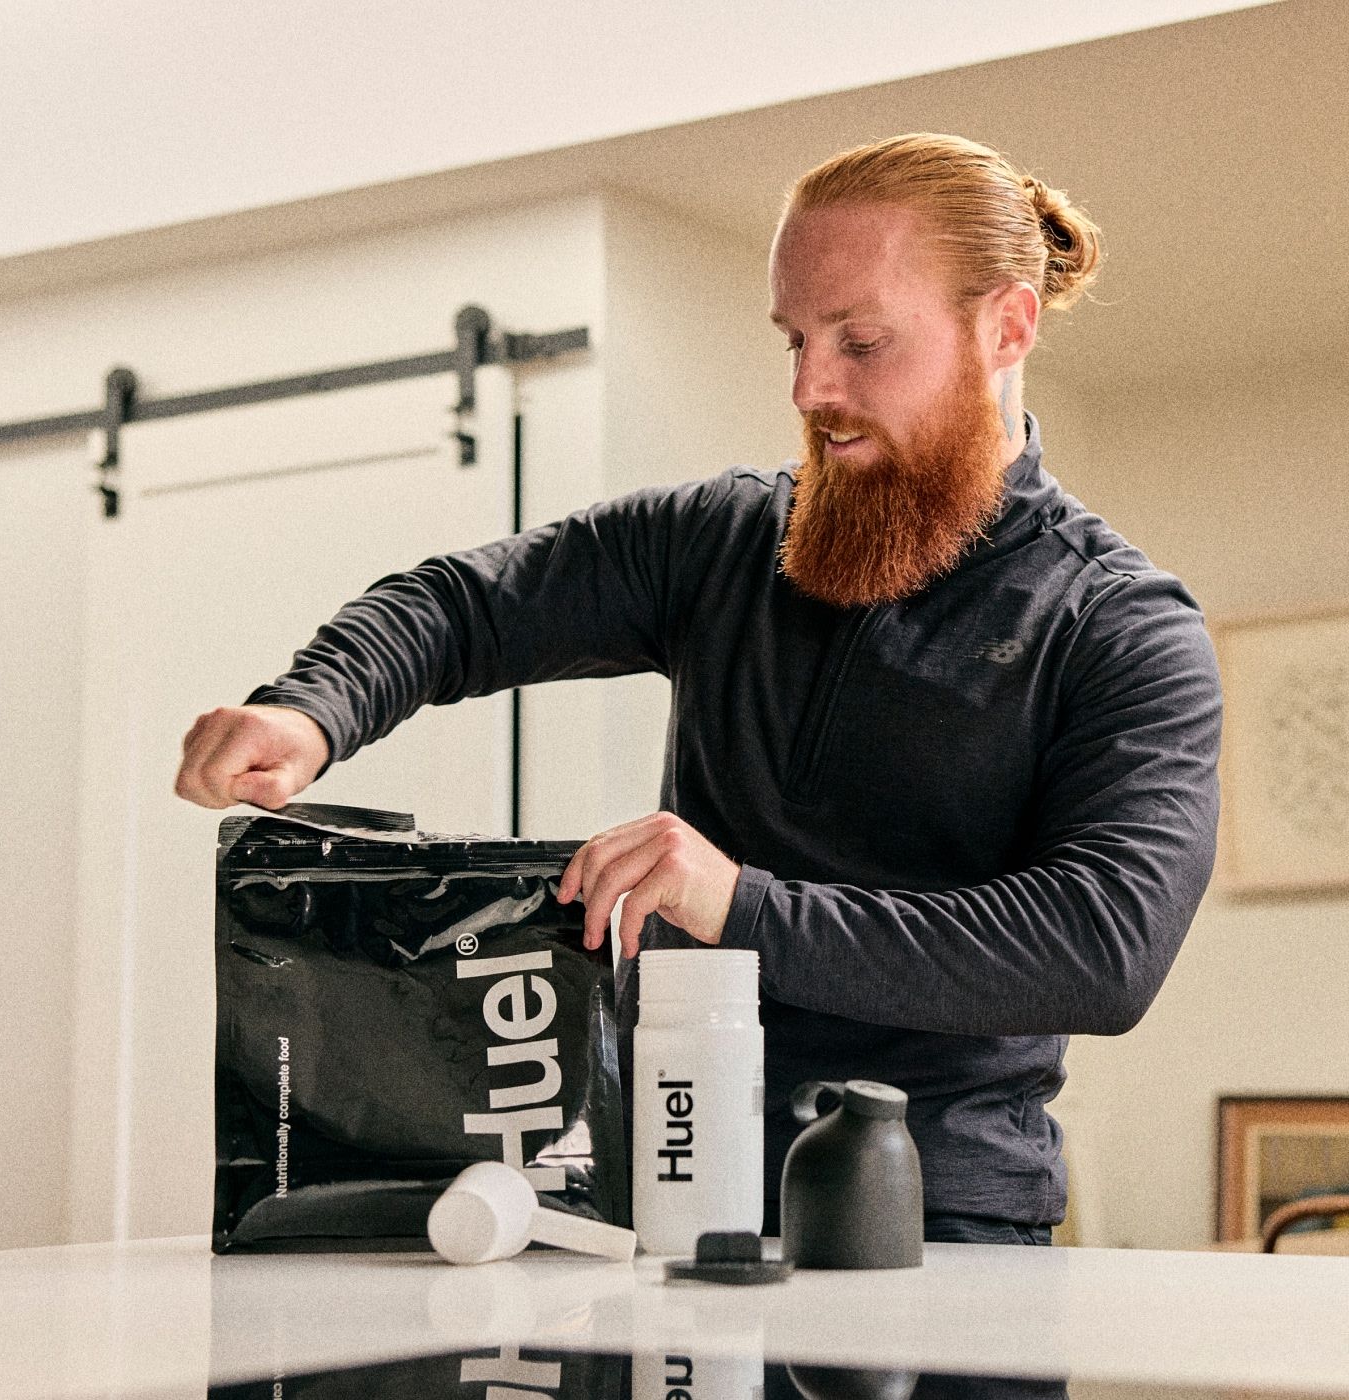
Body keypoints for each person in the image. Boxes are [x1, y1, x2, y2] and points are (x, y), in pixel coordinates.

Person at [175, 133, 1222, 1246]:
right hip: (660, 1189)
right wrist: (311, 707)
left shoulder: (1118, 624)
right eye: (795, 339)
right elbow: (463, 605)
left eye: (862, 342)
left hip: (931, 1213)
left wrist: (738, 907)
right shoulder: (719, 539)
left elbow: (1101, 946)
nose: (811, 389)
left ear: (1006, 327)